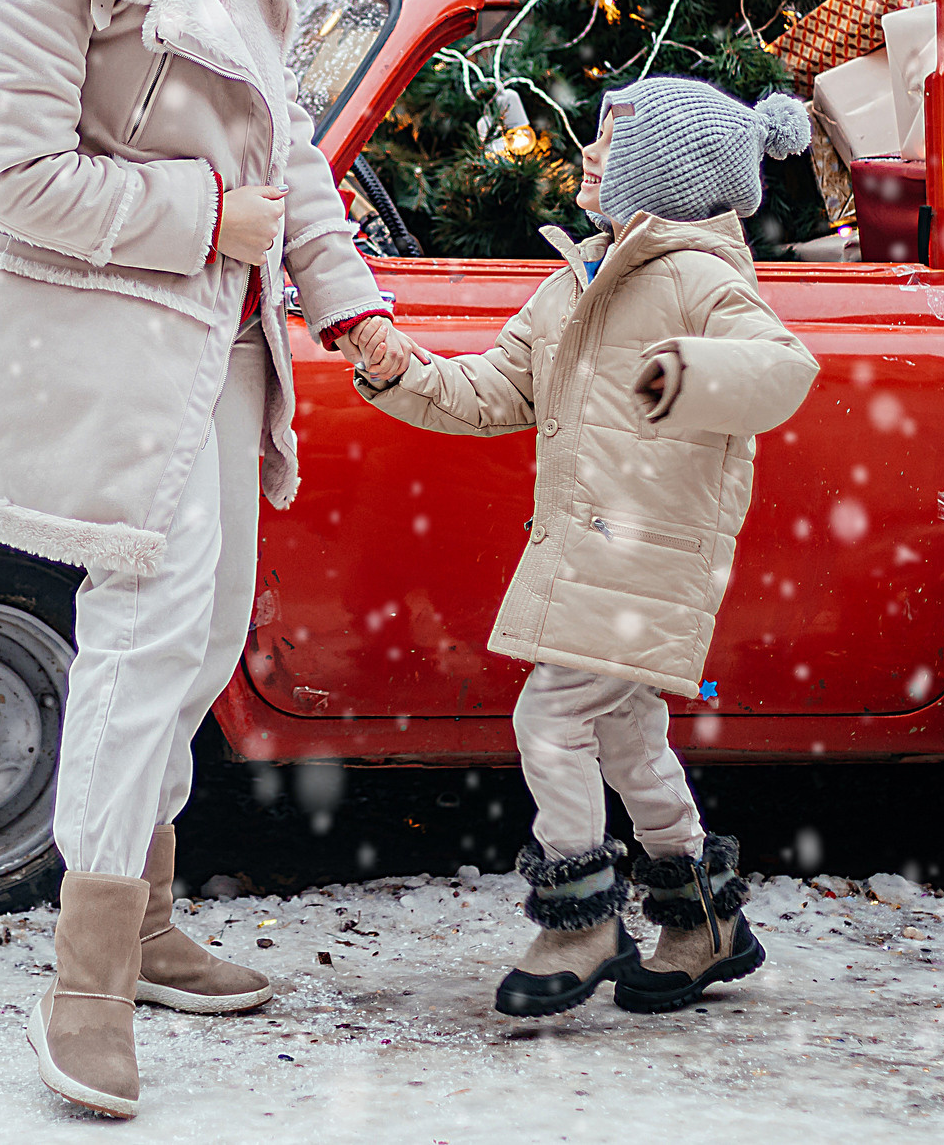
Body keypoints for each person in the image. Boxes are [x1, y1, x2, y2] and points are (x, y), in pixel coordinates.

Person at [0, 0, 416, 1118]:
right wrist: (209, 219)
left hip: (222, 344)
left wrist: (356, 311)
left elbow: (290, 156)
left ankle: (143, 918)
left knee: (202, 636)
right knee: (145, 637)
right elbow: (12, 181)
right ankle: (83, 981)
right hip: (115, 353)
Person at [346, 77, 819, 1017]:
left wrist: (687, 373)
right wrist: (400, 372)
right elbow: (492, 392)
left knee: (549, 720)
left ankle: (582, 919)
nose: (589, 155)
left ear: (665, 175)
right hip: (589, 547)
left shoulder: (698, 276)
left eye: (614, 144)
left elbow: (783, 367)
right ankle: (703, 921)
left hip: (651, 550)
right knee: (628, 739)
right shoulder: (575, 282)